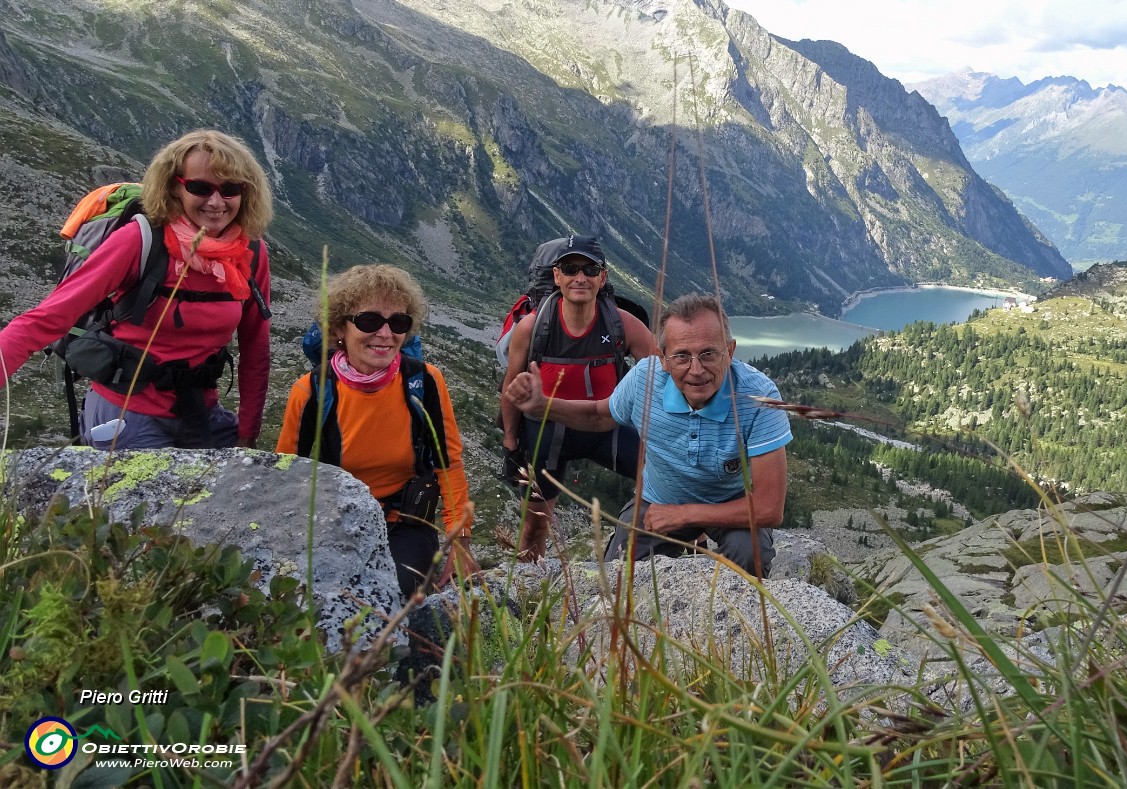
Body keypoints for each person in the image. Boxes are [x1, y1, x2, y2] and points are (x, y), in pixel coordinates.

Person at [0, 129, 273, 449]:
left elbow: (256, 348)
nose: (216, 202)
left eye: (230, 189)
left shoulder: (250, 252)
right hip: (127, 415)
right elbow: (46, 319)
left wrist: (248, 433)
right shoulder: (140, 240)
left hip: (201, 413)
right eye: (200, 187)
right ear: (175, 188)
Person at [505, 293, 790, 575]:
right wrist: (543, 406)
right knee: (619, 575)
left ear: (729, 351)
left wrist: (683, 514)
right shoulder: (645, 379)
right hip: (659, 498)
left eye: (708, 353)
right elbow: (600, 415)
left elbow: (768, 507)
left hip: (729, 503)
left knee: (750, 554)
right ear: (663, 359)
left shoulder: (759, 397)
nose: (696, 369)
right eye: (681, 356)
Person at [276, 264, 478, 598]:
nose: (385, 334)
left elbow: (449, 462)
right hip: (337, 522)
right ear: (340, 327)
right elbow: (287, 474)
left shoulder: (425, 382)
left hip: (405, 523)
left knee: (394, 595)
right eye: (369, 321)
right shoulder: (311, 391)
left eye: (398, 322)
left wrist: (460, 540)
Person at [498, 237, 657, 560]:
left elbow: (664, 376)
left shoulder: (623, 325)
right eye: (570, 269)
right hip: (547, 433)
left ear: (603, 277)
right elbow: (510, 388)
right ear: (557, 276)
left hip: (607, 425)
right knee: (534, 528)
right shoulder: (532, 327)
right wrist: (511, 444)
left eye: (589, 269)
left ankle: (689, 559)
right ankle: (532, 596)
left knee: (669, 481)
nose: (580, 278)